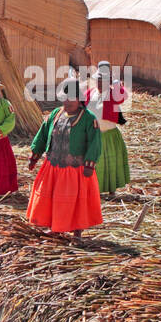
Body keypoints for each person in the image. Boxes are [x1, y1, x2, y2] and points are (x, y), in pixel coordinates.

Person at [26, 80, 102, 237]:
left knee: (74, 201)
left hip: (75, 169)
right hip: (53, 165)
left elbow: (95, 142)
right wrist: (34, 155)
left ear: (79, 99)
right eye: (65, 98)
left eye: (71, 98)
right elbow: (43, 134)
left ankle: (77, 231)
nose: (67, 102)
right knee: (51, 199)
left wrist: (90, 163)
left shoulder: (88, 118)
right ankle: (54, 227)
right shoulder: (56, 114)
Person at [85, 61, 130, 196]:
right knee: (95, 164)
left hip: (108, 135)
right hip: (93, 136)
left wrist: (115, 81)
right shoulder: (91, 93)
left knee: (110, 164)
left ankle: (111, 191)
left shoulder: (113, 94)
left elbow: (123, 96)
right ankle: (93, 190)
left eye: (103, 81)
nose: (100, 84)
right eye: (98, 80)